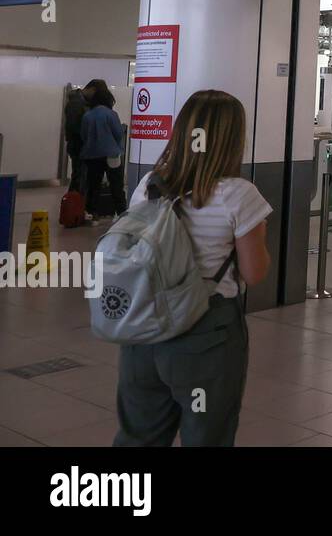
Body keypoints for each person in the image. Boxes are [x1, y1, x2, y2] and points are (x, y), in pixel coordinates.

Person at [115, 90, 272, 447]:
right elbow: (254, 273)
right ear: (233, 139)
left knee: (138, 435)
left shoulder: (149, 185)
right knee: (207, 435)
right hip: (206, 335)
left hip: (143, 330)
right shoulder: (239, 195)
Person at [81, 80, 126, 220]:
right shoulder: (111, 114)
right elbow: (118, 133)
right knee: (116, 185)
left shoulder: (88, 115)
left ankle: (93, 213)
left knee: (94, 185)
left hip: (92, 155)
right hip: (111, 155)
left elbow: (83, 135)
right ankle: (121, 213)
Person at [64, 85, 87, 194]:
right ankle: (74, 202)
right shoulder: (77, 104)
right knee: (79, 175)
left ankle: (73, 201)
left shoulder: (73, 103)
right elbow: (75, 127)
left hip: (75, 144)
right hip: (78, 145)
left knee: (78, 174)